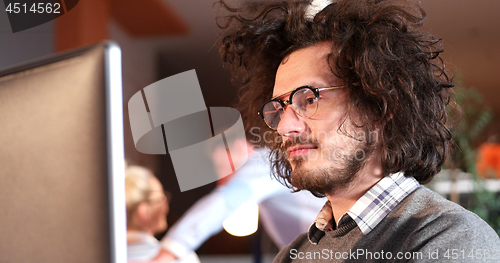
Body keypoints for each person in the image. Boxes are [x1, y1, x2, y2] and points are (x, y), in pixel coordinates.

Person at [217, 0, 500, 262]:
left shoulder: (448, 238)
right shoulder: (294, 254)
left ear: (379, 105)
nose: (285, 126)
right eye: (279, 109)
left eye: (310, 99)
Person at [157, 139, 326, 261]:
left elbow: (226, 200)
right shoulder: (274, 173)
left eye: (222, 167)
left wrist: (169, 251)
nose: (221, 179)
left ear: (240, 146)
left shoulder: (263, 163)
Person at [125, 165, 200, 263]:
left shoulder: (105, 257)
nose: (166, 205)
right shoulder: (179, 258)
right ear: (144, 212)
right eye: (162, 198)